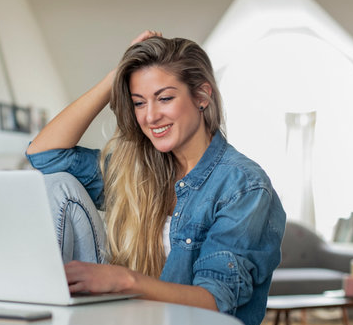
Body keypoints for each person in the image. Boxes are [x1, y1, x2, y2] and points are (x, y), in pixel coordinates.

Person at [26, 30, 286, 325]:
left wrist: (124, 281)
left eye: (164, 98)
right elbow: (44, 154)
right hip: (126, 318)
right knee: (59, 185)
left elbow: (214, 301)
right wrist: (116, 76)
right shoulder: (136, 170)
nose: (150, 117)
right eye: (139, 102)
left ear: (201, 96)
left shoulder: (243, 185)